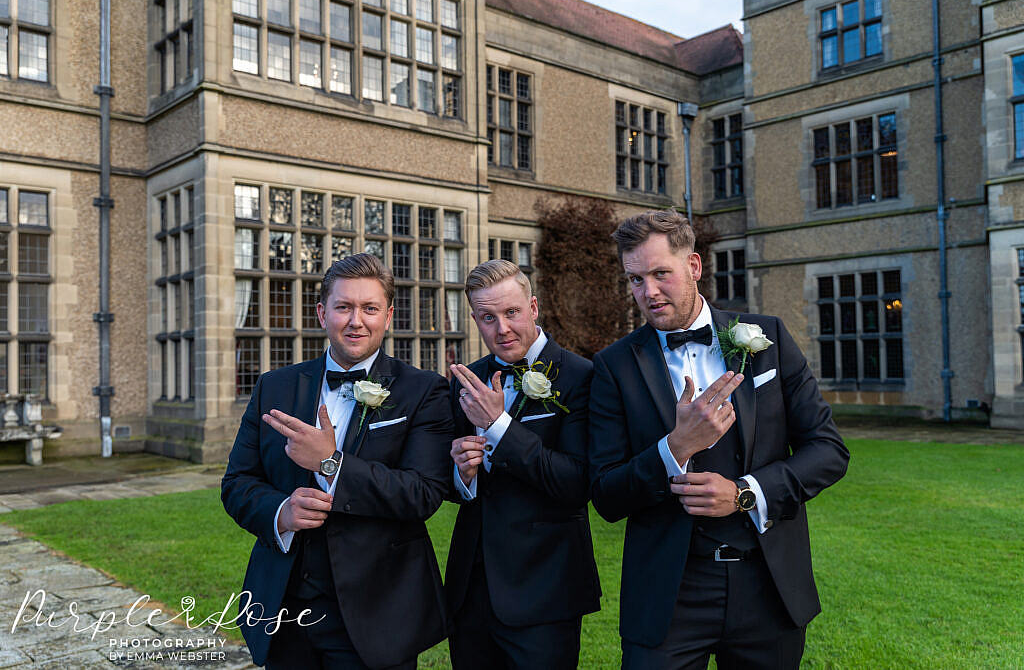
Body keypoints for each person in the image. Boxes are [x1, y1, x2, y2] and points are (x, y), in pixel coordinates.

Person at [588, 210, 849, 669]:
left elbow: (828, 451)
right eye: (634, 280)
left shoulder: (766, 338)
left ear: (693, 266)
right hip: (669, 593)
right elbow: (607, 495)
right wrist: (676, 448)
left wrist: (746, 494)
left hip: (768, 585)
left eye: (659, 274)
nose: (647, 292)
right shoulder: (614, 366)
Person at [221, 253, 453, 670]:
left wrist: (331, 463)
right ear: (321, 313)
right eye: (343, 307)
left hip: (377, 613)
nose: (356, 321)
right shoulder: (274, 386)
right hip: (285, 609)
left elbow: (423, 493)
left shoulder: (425, 391)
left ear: (388, 315)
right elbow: (238, 482)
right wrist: (281, 513)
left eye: (369, 308)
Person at [445, 259, 601, 669]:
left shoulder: (583, 376)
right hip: (472, 588)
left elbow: (577, 482)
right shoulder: (467, 380)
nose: (502, 329)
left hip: (546, 588)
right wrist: (461, 474)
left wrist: (498, 426)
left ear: (533, 307)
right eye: (487, 318)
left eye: (511, 312)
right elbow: (447, 484)